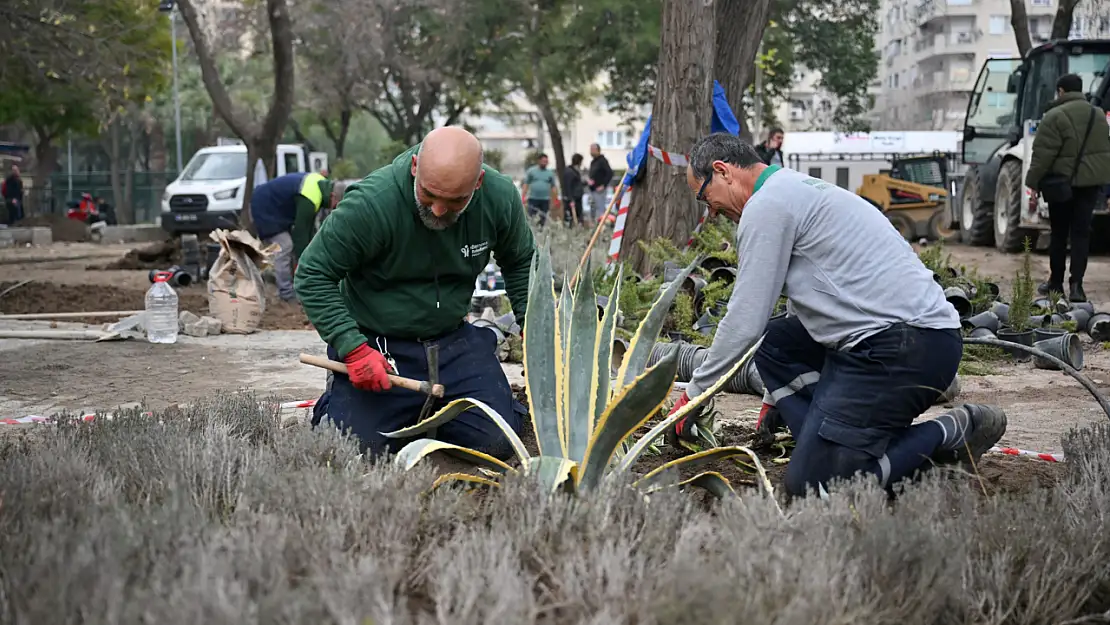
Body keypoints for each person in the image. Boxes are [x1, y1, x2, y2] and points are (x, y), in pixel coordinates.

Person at [666, 133, 1007, 498]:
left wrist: (695, 394)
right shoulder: (792, 188)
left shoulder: (767, 206)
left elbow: (745, 317)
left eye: (704, 197)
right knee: (777, 343)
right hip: (907, 339)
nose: (711, 212)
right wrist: (773, 395)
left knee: (813, 488)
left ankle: (948, 431)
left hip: (900, 347)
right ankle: (836, 442)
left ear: (722, 172)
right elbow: (803, 301)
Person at [293, 126, 535, 460]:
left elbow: (521, 262)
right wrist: (353, 348)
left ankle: (425, 413)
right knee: (353, 449)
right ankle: (345, 402)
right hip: (380, 347)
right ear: (415, 167)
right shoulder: (371, 204)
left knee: (497, 444)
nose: (438, 211)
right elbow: (312, 274)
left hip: (454, 343)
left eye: (454, 201)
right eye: (429, 195)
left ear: (477, 184)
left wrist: (533, 327)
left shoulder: (499, 197)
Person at [1026, 73, 1110, 303]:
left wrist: (1032, 182)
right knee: (1081, 234)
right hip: (1090, 185)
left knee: (1059, 234)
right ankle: (1077, 287)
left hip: (1061, 184)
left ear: (1061, 91)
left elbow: (1043, 155)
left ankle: (1056, 283)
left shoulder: (1053, 116)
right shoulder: (1099, 115)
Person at [250, 171, 338, 303]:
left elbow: (309, 230)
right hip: (265, 207)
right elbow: (301, 233)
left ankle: (273, 277)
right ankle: (286, 293)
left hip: (277, 208)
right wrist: (305, 263)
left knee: (288, 248)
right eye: (336, 205)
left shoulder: (320, 184)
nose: (335, 208)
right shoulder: (311, 198)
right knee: (285, 245)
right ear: (333, 196)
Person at [521, 153, 560, 226]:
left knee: (543, 218)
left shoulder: (550, 173)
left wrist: (556, 199)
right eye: (543, 161)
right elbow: (526, 184)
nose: (545, 163)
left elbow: (553, 187)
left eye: (546, 161)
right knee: (531, 218)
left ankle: (541, 232)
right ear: (539, 161)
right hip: (533, 199)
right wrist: (523, 196)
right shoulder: (531, 171)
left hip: (545, 200)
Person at [586, 143, 613, 219]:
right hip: (592, 189)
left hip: (599, 191)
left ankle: (601, 226)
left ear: (598, 150)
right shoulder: (593, 162)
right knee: (593, 209)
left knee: (600, 210)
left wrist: (603, 185)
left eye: (592, 150)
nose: (591, 152)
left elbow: (609, 173)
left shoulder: (602, 161)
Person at [562, 153, 586, 226]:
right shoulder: (569, 172)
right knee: (570, 217)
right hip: (572, 199)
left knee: (579, 217)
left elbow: (577, 183)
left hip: (577, 197)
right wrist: (571, 199)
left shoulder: (575, 171)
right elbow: (568, 186)